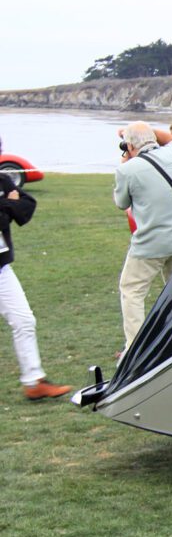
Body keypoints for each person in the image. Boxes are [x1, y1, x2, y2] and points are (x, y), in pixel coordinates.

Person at [114, 121, 172, 355]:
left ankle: (135, 348)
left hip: (150, 244)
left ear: (128, 145)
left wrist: (127, 157)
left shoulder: (127, 170)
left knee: (132, 290)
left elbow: (121, 203)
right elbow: (170, 139)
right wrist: (144, 129)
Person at [0, 167, 69, 400]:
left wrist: (6, 205)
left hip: (2, 268)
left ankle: (33, 381)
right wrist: (8, 204)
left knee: (24, 320)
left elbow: (27, 205)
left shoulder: (2, 180)